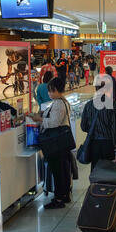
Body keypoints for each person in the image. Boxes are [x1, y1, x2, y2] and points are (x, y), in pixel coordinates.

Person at [29, 78, 73, 209]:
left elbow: (54, 123)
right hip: (61, 143)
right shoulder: (60, 102)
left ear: (56, 90)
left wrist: (39, 119)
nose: (49, 93)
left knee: (58, 171)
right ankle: (64, 195)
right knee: (63, 170)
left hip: (56, 143)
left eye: (50, 90)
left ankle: (59, 198)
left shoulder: (59, 103)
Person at [81, 75, 116, 171]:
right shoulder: (113, 105)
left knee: (96, 174)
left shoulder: (89, 105)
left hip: (94, 145)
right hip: (109, 146)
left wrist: (95, 130)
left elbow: (83, 126)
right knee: (111, 175)